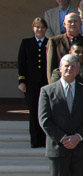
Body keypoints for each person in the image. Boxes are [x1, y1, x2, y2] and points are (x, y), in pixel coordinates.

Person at [18, 17, 49, 148]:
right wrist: (22, 81)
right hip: (31, 83)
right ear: (33, 28)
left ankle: (45, 139)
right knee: (33, 110)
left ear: (46, 29)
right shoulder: (26, 43)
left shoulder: (50, 42)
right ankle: (35, 141)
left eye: (42, 27)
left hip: (46, 83)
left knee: (46, 111)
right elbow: (21, 63)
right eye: (37, 27)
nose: (39, 29)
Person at [46, 13, 83, 80]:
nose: (73, 24)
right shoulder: (54, 41)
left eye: (75, 21)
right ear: (64, 24)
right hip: (61, 82)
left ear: (81, 24)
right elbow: (51, 66)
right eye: (70, 21)